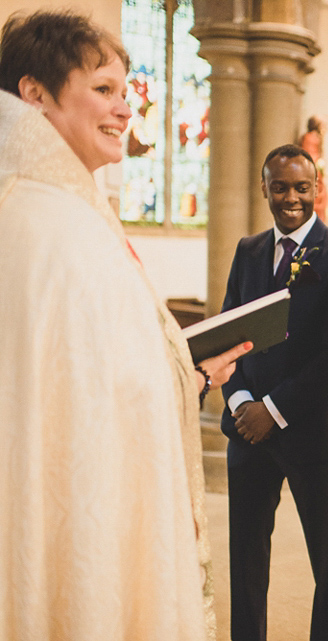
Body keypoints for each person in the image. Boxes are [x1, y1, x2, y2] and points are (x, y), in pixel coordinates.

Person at [0, 9, 249, 639]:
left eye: (126, 91)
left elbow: (91, 378)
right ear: (34, 93)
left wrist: (183, 379)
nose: (124, 109)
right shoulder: (39, 220)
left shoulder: (68, 209)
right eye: (103, 90)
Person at [220, 144, 328, 641]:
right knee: (246, 560)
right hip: (246, 431)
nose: (291, 197)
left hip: (307, 429)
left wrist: (272, 410)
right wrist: (239, 404)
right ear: (265, 189)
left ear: (316, 188)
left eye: (302, 187)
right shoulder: (248, 250)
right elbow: (225, 333)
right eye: (280, 187)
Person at [299, 114, 328, 220]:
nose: (325, 128)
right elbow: (310, 157)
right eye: (323, 125)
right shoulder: (310, 138)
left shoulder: (318, 138)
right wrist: (319, 163)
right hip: (313, 173)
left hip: (319, 175)